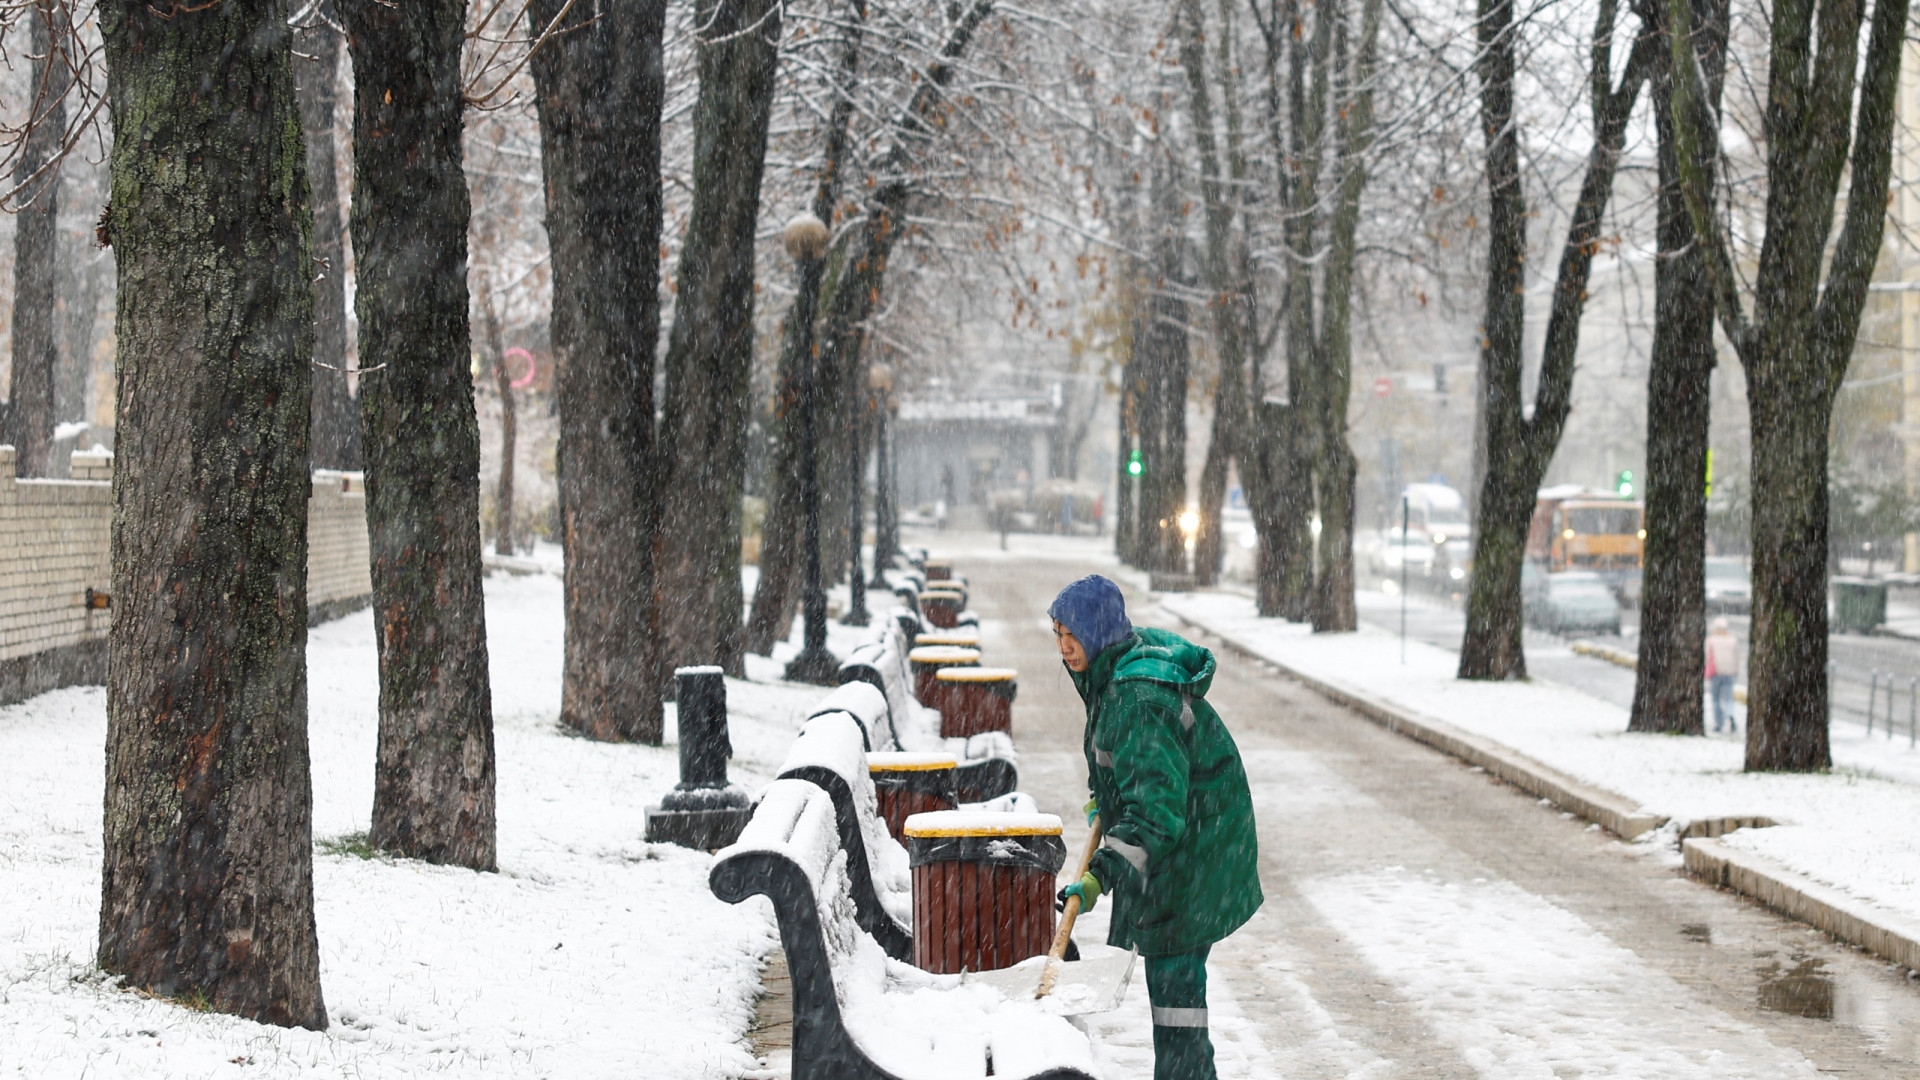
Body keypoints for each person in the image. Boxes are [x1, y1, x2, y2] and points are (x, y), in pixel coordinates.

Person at [1048, 574, 1261, 1080]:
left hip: (1194, 853)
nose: (1063, 646)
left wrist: (1102, 873)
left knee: (1176, 994)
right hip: (1185, 844)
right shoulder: (1111, 674)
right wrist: (1107, 800)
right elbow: (1134, 767)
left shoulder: (1135, 696)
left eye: (1071, 633)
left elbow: (1158, 816)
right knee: (1174, 994)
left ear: (1098, 631)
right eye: (1056, 634)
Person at [1705, 617, 1740, 733]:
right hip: (1729, 673)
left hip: (1716, 672)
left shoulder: (1711, 640)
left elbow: (1707, 657)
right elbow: (1736, 658)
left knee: (1715, 699)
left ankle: (1718, 723)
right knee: (1728, 698)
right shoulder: (1732, 640)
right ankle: (1729, 713)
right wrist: (1735, 670)